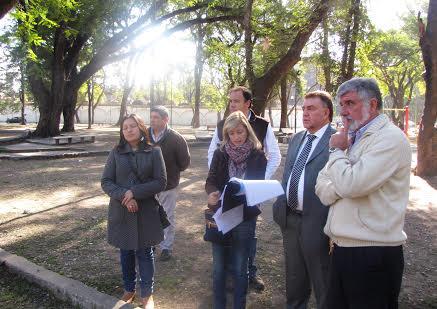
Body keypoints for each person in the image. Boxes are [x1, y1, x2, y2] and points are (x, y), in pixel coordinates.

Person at [315, 78, 412, 309]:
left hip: (373, 255)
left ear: (373, 104)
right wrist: (343, 182)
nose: (343, 111)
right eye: (341, 104)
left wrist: (337, 152)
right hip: (341, 249)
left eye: (350, 103)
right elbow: (321, 186)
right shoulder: (352, 137)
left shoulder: (390, 138)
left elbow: (352, 184)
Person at [207, 86, 281, 291]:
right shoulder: (223, 124)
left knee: (249, 233)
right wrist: (217, 186)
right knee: (226, 229)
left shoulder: (263, 125)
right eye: (230, 101)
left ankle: (249, 271)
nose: (232, 104)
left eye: (236, 101)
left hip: (250, 195)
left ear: (248, 103)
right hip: (225, 193)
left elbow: (274, 155)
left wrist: (256, 185)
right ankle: (232, 271)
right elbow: (213, 153)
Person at [272, 91, 336, 309]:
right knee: (295, 279)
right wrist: (280, 205)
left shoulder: (336, 141)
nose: (305, 113)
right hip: (290, 219)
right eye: (303, 109)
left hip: (318, 223)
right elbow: (289, 174)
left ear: (326, 113)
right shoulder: (298, 138)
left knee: (323, 282)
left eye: (311, 109)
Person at [101, 114, 167, 309]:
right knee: (126, 251)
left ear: (141, 128)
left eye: (132, 126)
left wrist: (134, 193)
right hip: (122, 210)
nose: (128, 130)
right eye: (125, 127)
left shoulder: (154, 151)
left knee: (145, 252)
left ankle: (147, 294)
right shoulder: (116, 152)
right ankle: (129, 289)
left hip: (146, 210)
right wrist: (125, 196)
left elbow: (161, 182)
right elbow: (106, 182)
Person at [206, 111, 267, 309]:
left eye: (240, 132)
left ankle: (238, 305)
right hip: (221, 214)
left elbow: (258, 184)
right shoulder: (220, 153)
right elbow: (211, 180)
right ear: (226, 135)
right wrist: (213, 192)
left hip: (245, 215)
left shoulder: (258, 155)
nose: (236, 137)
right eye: (231, 133)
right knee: (218, 268)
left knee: (241, 267)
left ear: (247, 131)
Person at [149, 106, 191, 261]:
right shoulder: (144, 135)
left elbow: (184, 162)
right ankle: (151, 243)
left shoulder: (176, 138)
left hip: (168, 185)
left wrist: (170, 174)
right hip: (148, 185)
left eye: (156, 117)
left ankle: (166, 247)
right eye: (151, 117)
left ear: (165, 119)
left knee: (167, 216)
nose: (152, 120)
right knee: (149, 215)